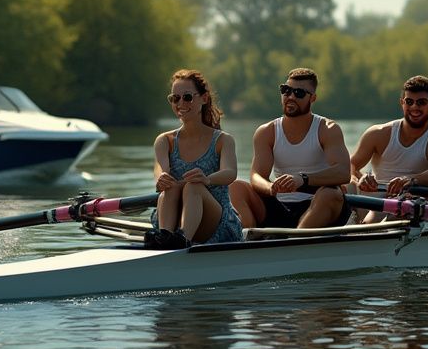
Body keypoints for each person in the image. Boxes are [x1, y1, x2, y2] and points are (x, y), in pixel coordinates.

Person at [230, 68, 353, 229]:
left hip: (317, 205)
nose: (291, 97)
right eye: (286, 90)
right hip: (281, 206)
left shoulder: (328, 129)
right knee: (236, 188)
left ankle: (295, 241)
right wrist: (270, 187)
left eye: (299, 93)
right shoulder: (266, 132)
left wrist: (302, 179)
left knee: (331, 194)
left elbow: (344, 172)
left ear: (313, 98)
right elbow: (256, 175)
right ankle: (246, 240)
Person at [147, 70, 243, 249]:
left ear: (204, 99)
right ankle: (166, 236)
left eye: (188, 97)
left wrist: (207, 179)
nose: (181, 103)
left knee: (193, 187)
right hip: (173, 216)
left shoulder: (223, 140)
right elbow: (160, 169)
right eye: (175, 98)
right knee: (170, 186)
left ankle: (182, 239)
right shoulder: (164, 141)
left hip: (216, 223)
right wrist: (161, 177)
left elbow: (230, 173)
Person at [349, 75, 428, 222]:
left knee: (398, 207)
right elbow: (351, 165)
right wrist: (359, 178)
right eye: (409, 102)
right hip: (372, 200)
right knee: (342, 186)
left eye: (421, 103)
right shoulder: (378, 133)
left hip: (412, 200)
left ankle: (363, 232)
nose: (414, 107)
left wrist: (410, 180)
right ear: (402, 103)